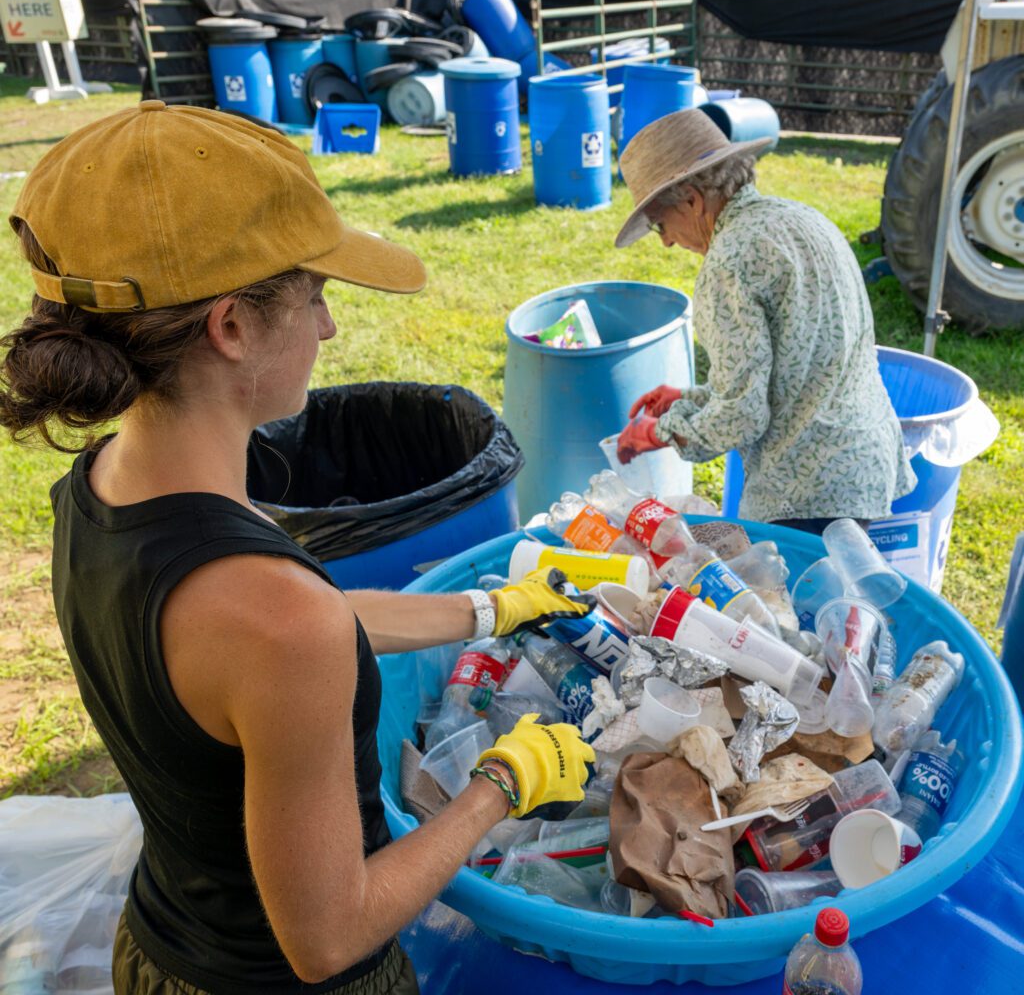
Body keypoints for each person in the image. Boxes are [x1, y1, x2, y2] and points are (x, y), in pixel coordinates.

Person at [0, 101, 595, 995]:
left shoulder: (102, 484)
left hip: (161, 941)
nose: (326, 326)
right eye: (315, 294)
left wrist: (484, 609)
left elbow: (265, 655)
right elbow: (329, 934)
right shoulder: (275, 618)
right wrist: (501, 787)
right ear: (232, 326)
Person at [614, 109, 915, 535]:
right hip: (862, 460)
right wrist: (690, 397)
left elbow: (743, 416)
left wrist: (656, 433)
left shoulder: (727, 264)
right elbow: (791, 371)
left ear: (692, 200)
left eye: (660, 223)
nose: (665, 240)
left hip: (804, 487)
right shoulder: (802, 219)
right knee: (839, 598)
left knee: (788, 601)